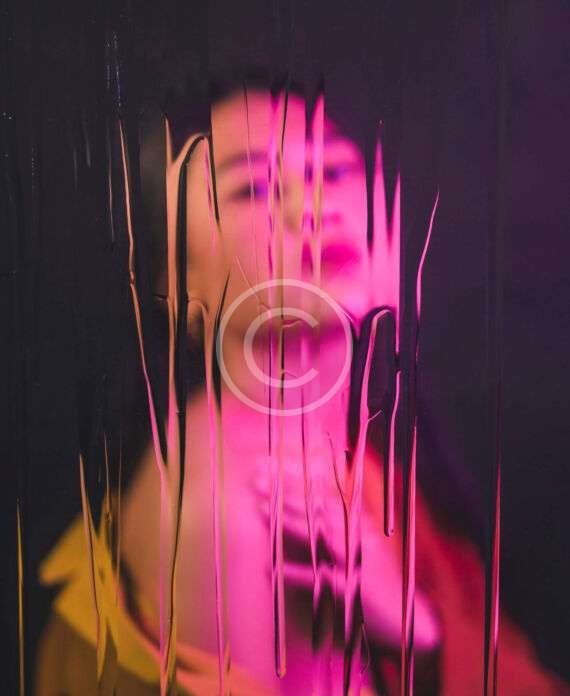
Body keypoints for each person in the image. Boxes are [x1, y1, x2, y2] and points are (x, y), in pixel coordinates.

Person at [35, 85, 569, 696]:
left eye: (334, 172)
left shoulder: (344, 453)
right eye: (254, 188)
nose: (315, 207)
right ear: (178, 283)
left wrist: (420, 635)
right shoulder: (224, 518)